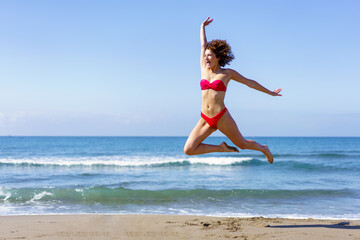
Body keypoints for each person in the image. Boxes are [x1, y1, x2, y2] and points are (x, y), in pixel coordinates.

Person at [184, 17, 282, 164]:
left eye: (209, 55)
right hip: (205, 118)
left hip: (221, 117)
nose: (206, 58)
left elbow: (250, 83)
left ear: (218, 57)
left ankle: (264, 149)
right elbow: (203, 45)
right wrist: (202, 27)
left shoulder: (227, 74)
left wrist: (270, 92)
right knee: (189, 149)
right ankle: (221, 148)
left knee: (242, 144)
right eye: (205, 56)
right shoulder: (203, 69)